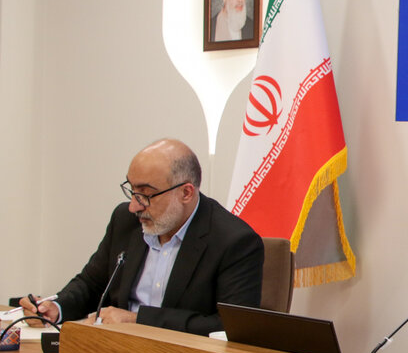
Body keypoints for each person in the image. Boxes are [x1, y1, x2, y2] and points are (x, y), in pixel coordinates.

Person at [20, 139, 264, 336]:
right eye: (132, 190)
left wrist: (138, 320)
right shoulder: (125, 221)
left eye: (146, 195)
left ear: (186, 193)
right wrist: (56, 307)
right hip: (114, 351)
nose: (134, 206)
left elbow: (229, 328)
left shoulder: (234, 242)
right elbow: (92, 284)